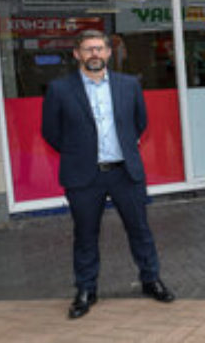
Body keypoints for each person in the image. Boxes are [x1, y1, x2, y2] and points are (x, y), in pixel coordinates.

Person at [41, 30, 175, 319]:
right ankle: (86, 290)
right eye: (88, 49)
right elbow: (51, 132)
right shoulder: (60, 89)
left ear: (108, 53)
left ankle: (151, 279)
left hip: (124, 172)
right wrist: (78, 152)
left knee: (140, 230)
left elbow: (140, 123)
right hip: (83, 177)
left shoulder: (129, 85)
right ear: (77, 54)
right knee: (85, 235)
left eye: (99, 49)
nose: (95, 55)